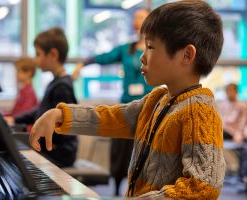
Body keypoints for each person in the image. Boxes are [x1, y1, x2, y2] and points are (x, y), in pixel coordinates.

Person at [30, 1, 225, 199]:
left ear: (186, 55)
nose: (142, 56)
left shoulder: (200, 112)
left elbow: (202, 187)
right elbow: (112, 117)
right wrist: (61, 114)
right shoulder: (156, 100)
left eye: (150, 47)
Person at [73, 8, 154, 195]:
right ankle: (117, 189)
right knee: (119, 148)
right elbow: (104, 57)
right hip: (127, 106)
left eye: (141, 18)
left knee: (147, 151)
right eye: (135, 18)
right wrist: (82, 64)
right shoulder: (126, 49)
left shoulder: (156, 49)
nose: (136, 22)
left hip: (148, 107)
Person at [6, 27, 78, 168]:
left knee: (16, 159)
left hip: (60, 153)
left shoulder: (62, 87)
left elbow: (63, 128)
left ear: (53, 54)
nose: (35, 60)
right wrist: (14, 119)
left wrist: (31, 137)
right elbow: (40, 110)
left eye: (38, 54)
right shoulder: (55, 83)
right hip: (53, 148)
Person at [218, 83, 247, 175]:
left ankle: (241, 171)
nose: (230, 93)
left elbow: (243, 121)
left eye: (232, 90)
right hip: (224, 131)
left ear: (236, 92)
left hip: (237, 132)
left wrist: (239, 133)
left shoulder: (242, 105)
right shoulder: (221, 104)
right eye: (228, 91)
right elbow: (221, 121)